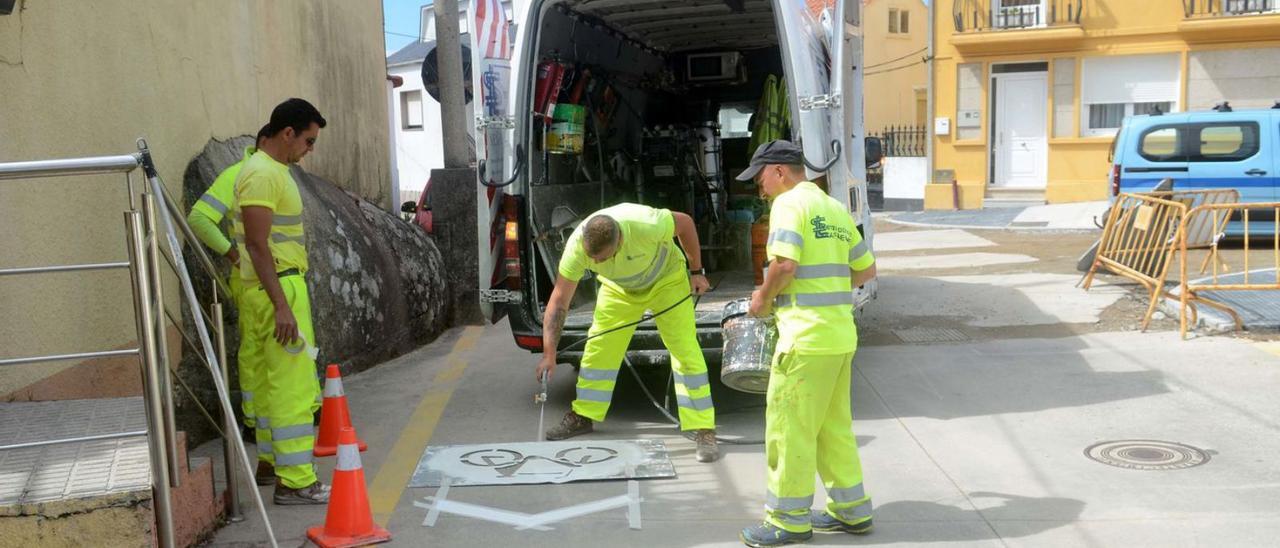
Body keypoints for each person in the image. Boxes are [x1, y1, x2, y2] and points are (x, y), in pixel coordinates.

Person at [737, 140, 877, 546]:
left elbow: (784, 265)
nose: (760, 188)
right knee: (834, 427)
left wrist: (761, 301)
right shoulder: (833, 208)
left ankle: (787, 520)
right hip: (839, 337)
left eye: (760, 178)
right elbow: (866, 269)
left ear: (780, 171)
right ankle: (852, 510)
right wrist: (828, 287)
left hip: (804, 339)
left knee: (789, 430)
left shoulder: (788, 205)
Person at [536, 203, 720, 463]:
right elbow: (558, 302)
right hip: (619, 289)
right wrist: (549, 353)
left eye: (603, 258)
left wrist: (696, 271)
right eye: (594, 259)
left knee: (685, 350)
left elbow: (686, 223)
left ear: (620, 238)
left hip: (666, 280)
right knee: (599, 349)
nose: (596, 262)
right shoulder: (577, 248)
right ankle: (584, 416)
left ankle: (703, 428)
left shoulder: (646, 224)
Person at [231, 98, 329, 505]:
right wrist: (282, 305)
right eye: (308, 140)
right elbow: (256, 244)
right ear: (287, 133)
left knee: (273, 388)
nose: (310, 149)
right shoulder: (263, 174)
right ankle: (297, 481)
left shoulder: (266, 170)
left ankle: (272, 465)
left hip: (272, 289)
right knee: (292, 389)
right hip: (278, 290)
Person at [187, 125, 284, 486]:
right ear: (264, 143)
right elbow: (199, 218)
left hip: (270, 280)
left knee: (269, 362)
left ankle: (269, 441)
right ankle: (260, 437)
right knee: (259, 361)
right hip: (254, 283)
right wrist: (232, 253)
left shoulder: (267, 174)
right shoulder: (240, 175)